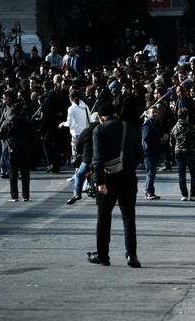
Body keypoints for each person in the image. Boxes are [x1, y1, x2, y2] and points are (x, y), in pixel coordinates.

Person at [87, 102, 143, 268]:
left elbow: (97, 158)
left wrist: (99, 183)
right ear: (116, 114)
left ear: (100, 117)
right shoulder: (129, 127)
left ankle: (103, 256)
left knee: (104, 218)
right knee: (128, 218)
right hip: (128, 177)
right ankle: (132, 255)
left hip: (108, 178)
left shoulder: (100, 130)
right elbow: (140, 155)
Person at [0, 103, 37, 202]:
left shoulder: (7, 122)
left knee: (13, 172)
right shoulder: (27, 121)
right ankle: (25, 195)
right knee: (25, 173)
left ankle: (14, 195)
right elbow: (33, 136)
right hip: (25, 149)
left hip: (11, 149)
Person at [67, 112, 100, 205]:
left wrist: (82, 152)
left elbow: (78, 146)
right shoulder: (103, 130)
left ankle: (77, 193)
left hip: (88, 158)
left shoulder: (86, 131)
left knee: (79, 175)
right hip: (100, 158)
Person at [170, 107, 195, 201]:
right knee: (193, 174)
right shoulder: (191, 127)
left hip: (178, 152)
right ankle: (193, 194)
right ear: (187, 116)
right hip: (190, 152)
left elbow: (171, 142)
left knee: (181, 174)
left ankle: (184, 194)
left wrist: (174, 150)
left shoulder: (174, 128)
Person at [58, 89, 91, 179]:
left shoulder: (71, 108)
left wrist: (62, 124)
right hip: (85, 132)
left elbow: (69, 123)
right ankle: (85, 173)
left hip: (76, 134)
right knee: (84, 154)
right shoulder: (85, 107)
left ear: (70, 98)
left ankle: (77, 173)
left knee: (76, 155)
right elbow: (90, 120)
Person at [141, 106, 168, 199]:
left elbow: (159, 133)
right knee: (151, 172)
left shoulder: (157, 123)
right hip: (149, 152)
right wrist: (159, 139)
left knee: (152, 172)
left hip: (155, 151)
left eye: (156, 112)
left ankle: (151, 191)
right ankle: (148, 192)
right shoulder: (147, 125)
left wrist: (163, 137)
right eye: (153, 112)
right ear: (148, 114)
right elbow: (145, 138)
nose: (155, 114)